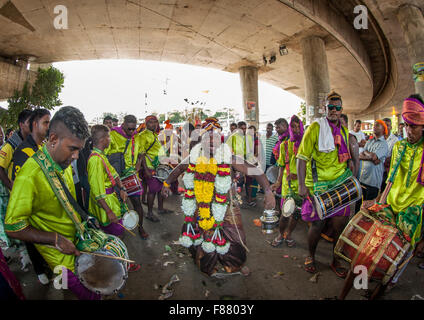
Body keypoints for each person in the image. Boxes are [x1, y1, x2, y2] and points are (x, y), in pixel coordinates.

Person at [4, 106, 102, 300]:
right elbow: (12, 226)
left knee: (82, 288)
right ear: (54, 139)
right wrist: (55, 239)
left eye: (79, 150)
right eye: (73, 149)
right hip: (57, 257)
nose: (75, 157)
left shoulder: (61, 161)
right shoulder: (29, 175)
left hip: (77, 244)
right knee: (89, 295)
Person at [161, 117, 276, 276]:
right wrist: (166, 184)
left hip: (227, 205)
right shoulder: (193, 157)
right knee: (200, 236)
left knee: (236, 238)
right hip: (201, 206)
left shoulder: (229, 157)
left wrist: (268, 192)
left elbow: (254, 170)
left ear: (220, 139)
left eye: (215, 137)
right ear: (202, 139)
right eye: (208, 137)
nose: (211, 141)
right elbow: (178, 169)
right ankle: (207, 266)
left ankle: (235, 263)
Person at [339, 94, 424, 300]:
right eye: (406, 126)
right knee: (365, 252)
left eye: (414, 126)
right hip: (390, 207)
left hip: (412, 215)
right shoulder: (399, 147)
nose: (408, 131)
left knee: (392, 268)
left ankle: (374, 293)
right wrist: (377, 202)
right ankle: (343, 297)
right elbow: (391, 180)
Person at [297, 92, 358, 278]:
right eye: (330, 107)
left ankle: (335, 260)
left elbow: (349, 161)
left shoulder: (345, 132)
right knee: (317, 225)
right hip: (319, 185)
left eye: (337, 107)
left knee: (340, 226)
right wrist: (301, 185)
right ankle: (311, 256)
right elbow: (302, 158)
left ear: (341, 110)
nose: (333, 110)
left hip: (340, 185)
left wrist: (352, 181)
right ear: (325, 108)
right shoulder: (315, 128)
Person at [10, 108, 51, 285]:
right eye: (46, 122)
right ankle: (39, 269)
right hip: (32, 208)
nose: (49, 127)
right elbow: (21, 187)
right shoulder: (23, 151)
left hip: (45, 207)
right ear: (35, 125)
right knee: (34, 241)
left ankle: (48, 269)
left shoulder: (42, 146)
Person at [105, 115, 148, 239]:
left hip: (131, 175)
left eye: (133, 129)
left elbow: (141, 154)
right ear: (123, 125)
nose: (131, 132)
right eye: (129, 129)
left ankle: (141, 227)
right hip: (116, 176)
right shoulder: (112, 135)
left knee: (137, 203)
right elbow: (105, 156)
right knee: (118, 204)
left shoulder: (137, 137)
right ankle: (120, 230)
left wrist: (138, 167)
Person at [0, 109, 32, 269]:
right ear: (21, 125)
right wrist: (11, 186)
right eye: (29, 122)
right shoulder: (9, 146)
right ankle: (27, 258)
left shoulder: (34, 143)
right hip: (18, 195)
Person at [271, 115, 304, 248]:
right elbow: (281, 165)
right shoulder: (284, 145)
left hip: (302, 185)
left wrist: (300, 177)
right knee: (285, 213)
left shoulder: (306, 144)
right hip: (287, 184)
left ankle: (288, 234)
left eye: (298, 126)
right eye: (293, 127)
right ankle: (280, 234)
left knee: (295, 214)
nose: (295, 129)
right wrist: (278, 182)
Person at [138, 115, 173, 223]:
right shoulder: (143, 135)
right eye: (150, 122)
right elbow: (141, 154)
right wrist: (146, 170)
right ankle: (149, 213)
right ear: (146, 123)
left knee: (161, 187)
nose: (153, 124)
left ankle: (161, 208)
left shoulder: (154, 134)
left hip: (159, 166)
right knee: (152, 190)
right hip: (150, 167)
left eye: (155, 122)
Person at [357, 120, 389, 208]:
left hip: (373, 181)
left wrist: (368, 154)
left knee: (370, 207)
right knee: (359, 205)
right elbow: (360, 155)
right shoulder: (370, 141)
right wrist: (370, 155)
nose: (374, 126)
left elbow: (374, 157)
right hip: (363, 178)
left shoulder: (384, 144)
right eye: (374, 125)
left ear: (383, 130)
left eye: (377, 125)